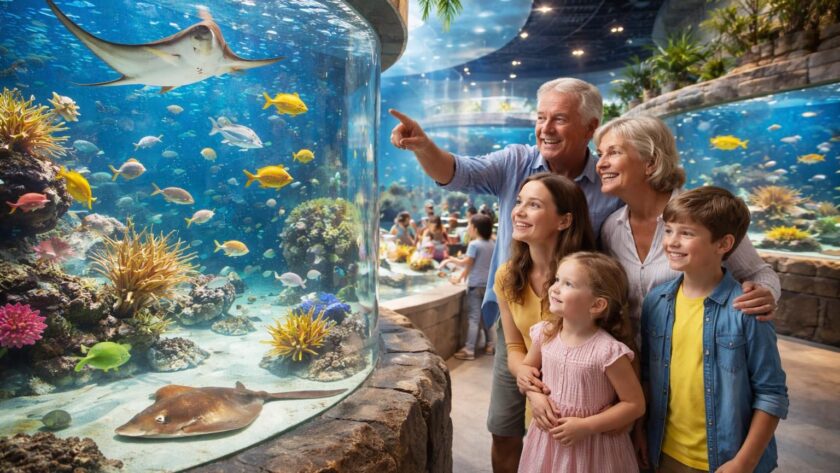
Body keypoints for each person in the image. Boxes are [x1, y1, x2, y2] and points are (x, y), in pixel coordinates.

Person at [391, 78, 622, 472]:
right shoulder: (516, 161)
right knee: (505, 427)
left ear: (590, 127)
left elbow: (659, 216)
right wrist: (424, 147)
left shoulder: (610, 180)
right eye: (541, 117)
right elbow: (458, 172)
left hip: (582, 330)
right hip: (518, 316)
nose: (546, 128)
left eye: (560, 119)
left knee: (572, 430)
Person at [640, 187, 788, 473]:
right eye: (669, 230)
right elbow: (647, 375)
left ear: (723, 244)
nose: (672, 242)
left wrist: (744, 463)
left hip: (726, 460)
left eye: (687, 233)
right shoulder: (655, 303)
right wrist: (640, 432)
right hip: (664, 451)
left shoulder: (747, 310)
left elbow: (772, 394)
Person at [594, 115, 780, 341]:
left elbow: (757, 272)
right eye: (600, 153)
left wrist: (764, 294)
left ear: (651, 162)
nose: (600, 163)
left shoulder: (704, 215)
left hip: (698, 360)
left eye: (613, 152)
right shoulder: (611, 228)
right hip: (632, 364)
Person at [495, 173, 597, 471]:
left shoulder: (590, 276)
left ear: (564, 221)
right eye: (518, 202)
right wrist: (530, 386)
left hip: (585, 409)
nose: (519, 211)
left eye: (534, 205)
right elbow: (514, 344)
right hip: (540, 404)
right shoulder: (506, 276)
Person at [518, 252, 645, 473]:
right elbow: (527, 369)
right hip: (548, 442)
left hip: (594, 448)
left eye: (568, 284)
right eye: (557, 279)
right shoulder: (545, 334)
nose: (555, 288)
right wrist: (535, 395)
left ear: (597, 305)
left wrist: (587, 426)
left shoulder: (608, 352)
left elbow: (634, 404)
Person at [440, 213, 497, 360]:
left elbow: (468, 262)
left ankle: (469, 350)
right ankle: (490, 345)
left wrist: (450, 260)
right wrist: (460, 276)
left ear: (476, 228)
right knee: (486, 317)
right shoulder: (492, 244)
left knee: (473, 319)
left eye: (469, 225)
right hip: (489, 286)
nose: (467, 228)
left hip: (475, 285)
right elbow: (478, 265)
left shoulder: (474, 244)